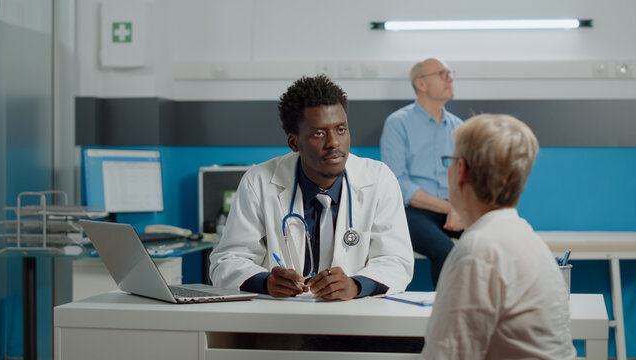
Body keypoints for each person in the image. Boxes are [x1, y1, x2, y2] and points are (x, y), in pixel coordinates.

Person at [209, 75, 414, 301]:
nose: (334, 142)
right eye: (319, 133)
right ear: (294, 143)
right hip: (283, 318)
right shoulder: (258, 181)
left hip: (357, 318)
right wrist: (266, 282)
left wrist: (355, 285)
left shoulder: (378, 179)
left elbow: (396, 261)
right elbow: (226, 261)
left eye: (341, 129)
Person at [422, 114, 576, 359]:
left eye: (450, 161)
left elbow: (446, 355)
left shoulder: (477, 251)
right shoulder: (526, 238)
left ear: (461, 170)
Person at [380, 58, 464, 288]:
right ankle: (446, 315)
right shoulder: (398, 123)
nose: (450, 78)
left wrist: (459, 207)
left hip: (454, 209)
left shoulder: (459, 127)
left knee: (491, 241)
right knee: (445, 250)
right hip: (413, 211)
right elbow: (398, 182)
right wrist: (450, 208)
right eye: (442, 74)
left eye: (450, 73)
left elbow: (465, 178)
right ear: (421, 83)